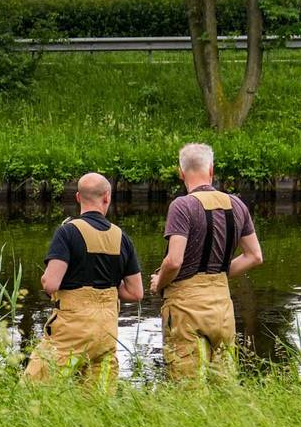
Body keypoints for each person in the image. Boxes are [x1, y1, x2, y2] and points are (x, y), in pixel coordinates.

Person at [150, 143, 264, 382]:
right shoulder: (237, 205)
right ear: (211, 169)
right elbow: (254, 256)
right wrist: (218, 274)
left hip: (186, 306)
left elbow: (174, 261)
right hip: (222, 306)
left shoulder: (182, 206)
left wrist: (158, 282)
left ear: (181, 173)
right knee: (224, 382)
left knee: (187, 384)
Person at [24, 173, 143, 388]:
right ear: (107, 197)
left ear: (78, 197)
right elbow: (136, 293)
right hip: (107, 330)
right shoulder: (122, 237)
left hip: (72, 328)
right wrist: (107, 285)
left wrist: (46, 278)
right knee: (97, 398)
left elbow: (51, 284)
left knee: (36, 389)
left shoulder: (67, 232)